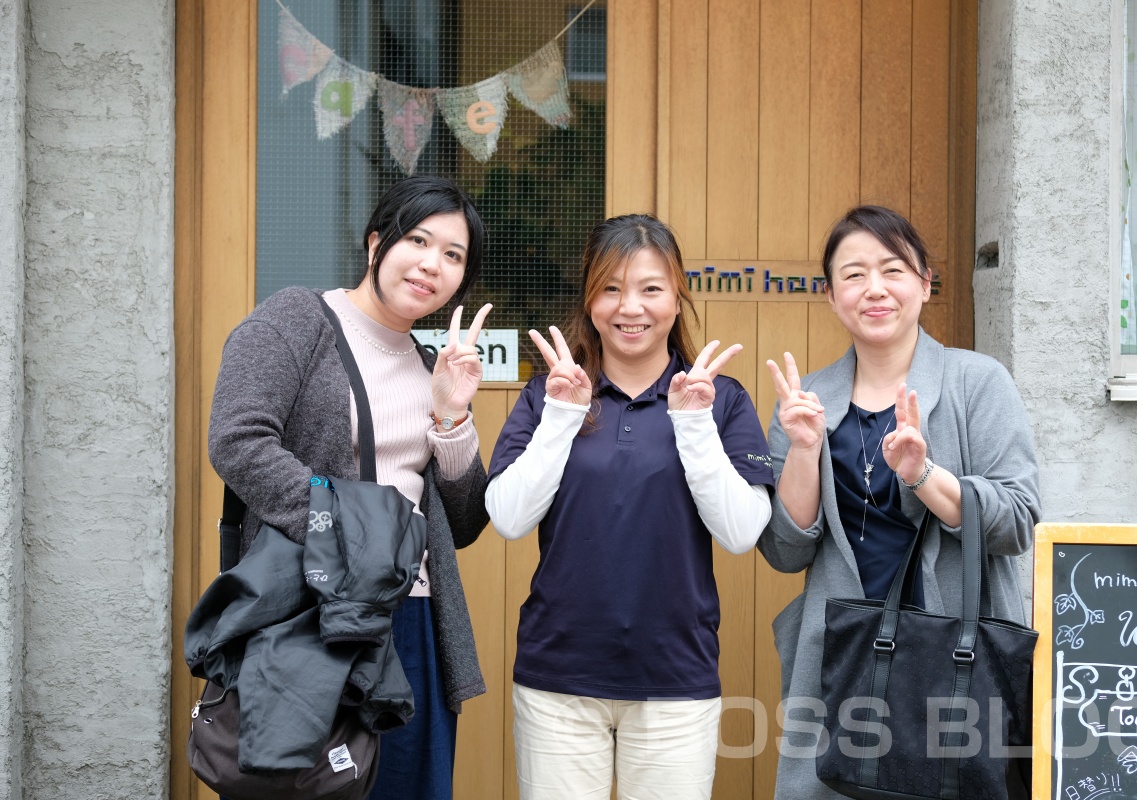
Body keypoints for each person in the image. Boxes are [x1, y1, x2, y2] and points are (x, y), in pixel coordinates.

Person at [207, 175, 492, 800]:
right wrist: (351, 528)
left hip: (413, 617)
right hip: (312, 618)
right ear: (375, 242)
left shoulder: (430, 366)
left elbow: (466, 522)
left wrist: (452, 418)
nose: (432, 264)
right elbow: (238, 440)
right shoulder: (298, 319)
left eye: (453, 255)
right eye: (418, 240)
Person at [485, 213, 776, 800]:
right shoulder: (548, 394)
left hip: (676, 678)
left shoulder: (720, 400)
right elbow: (509, 518)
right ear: (590, 299)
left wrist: (693, 424)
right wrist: (563, 414)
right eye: (611, 289)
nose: (630, 307)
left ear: (677, 296)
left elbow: (742, 531)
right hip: (558, 678)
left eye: (650, 288)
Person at [758, 204, 1041, 799]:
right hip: (842, 660)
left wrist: (924, 475)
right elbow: (785, 552)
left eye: (893, 270)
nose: (875, 289)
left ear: (925, 283)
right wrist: (805, 449)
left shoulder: (977, 382)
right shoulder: (808, 400)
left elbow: (1016, 522)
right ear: (831, 295)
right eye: (853, 275)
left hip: (954, 658)